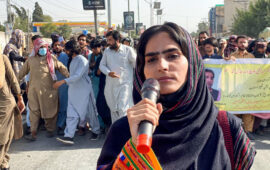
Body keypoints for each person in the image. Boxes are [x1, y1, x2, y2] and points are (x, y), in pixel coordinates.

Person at [97, 22, 256, 170]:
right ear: (141, 70)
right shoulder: (123, 131)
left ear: (192, 62)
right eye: (151, 59)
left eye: (172, 56)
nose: (162, 66)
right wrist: (135, 150)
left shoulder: (226, 128)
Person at [18, 38, 69, 141]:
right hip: (34, 91)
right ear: (36, 48)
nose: (43, 49)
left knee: (50, 110)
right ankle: (33, 132)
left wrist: (70, 78)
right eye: (40, 47)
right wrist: (13, 82)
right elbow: (21, 73)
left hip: (49, 90)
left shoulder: (52, 59)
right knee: (33, 110)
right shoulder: (31, 60)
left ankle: (50, 130)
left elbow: (62, 68)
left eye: (44, 47)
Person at [54, 40, 100, 144]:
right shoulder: (73, 60)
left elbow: (78, 76)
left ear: (72, 49)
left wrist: (62, 81)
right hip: (73, 90)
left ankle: (96, 131)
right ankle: (69, 136)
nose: (66, 51)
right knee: (71, 114)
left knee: (90, 112)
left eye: (67, 49)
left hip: (84, 91)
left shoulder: (82, 60)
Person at [99, 30, 136, 123]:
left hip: (125, 86)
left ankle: (125, 134)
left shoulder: (128, 50)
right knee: (113, 110)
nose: (108, 42)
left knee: (123, 109)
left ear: (117, 40)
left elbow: (137, 65)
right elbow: (101, 65)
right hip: (110, 86)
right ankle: (117, 134)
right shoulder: (107, 51)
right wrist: (108, 72)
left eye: (110, 40)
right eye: (107, 40)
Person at [0, 54, 25, 170]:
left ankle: (4, 162)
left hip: (5, 102)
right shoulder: (2, 58)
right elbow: (12, 79)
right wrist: (19, 97)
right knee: (4, 134)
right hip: (4, 102)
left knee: (6, 133)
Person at [52, 40, 69, 135]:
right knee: (55, 105)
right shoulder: (50, 57)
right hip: (53, 85)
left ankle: (60, 125)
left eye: (59, 45)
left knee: (63, 105)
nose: (57, 47)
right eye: (55, 45)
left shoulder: (65, 56)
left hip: (63, 84)